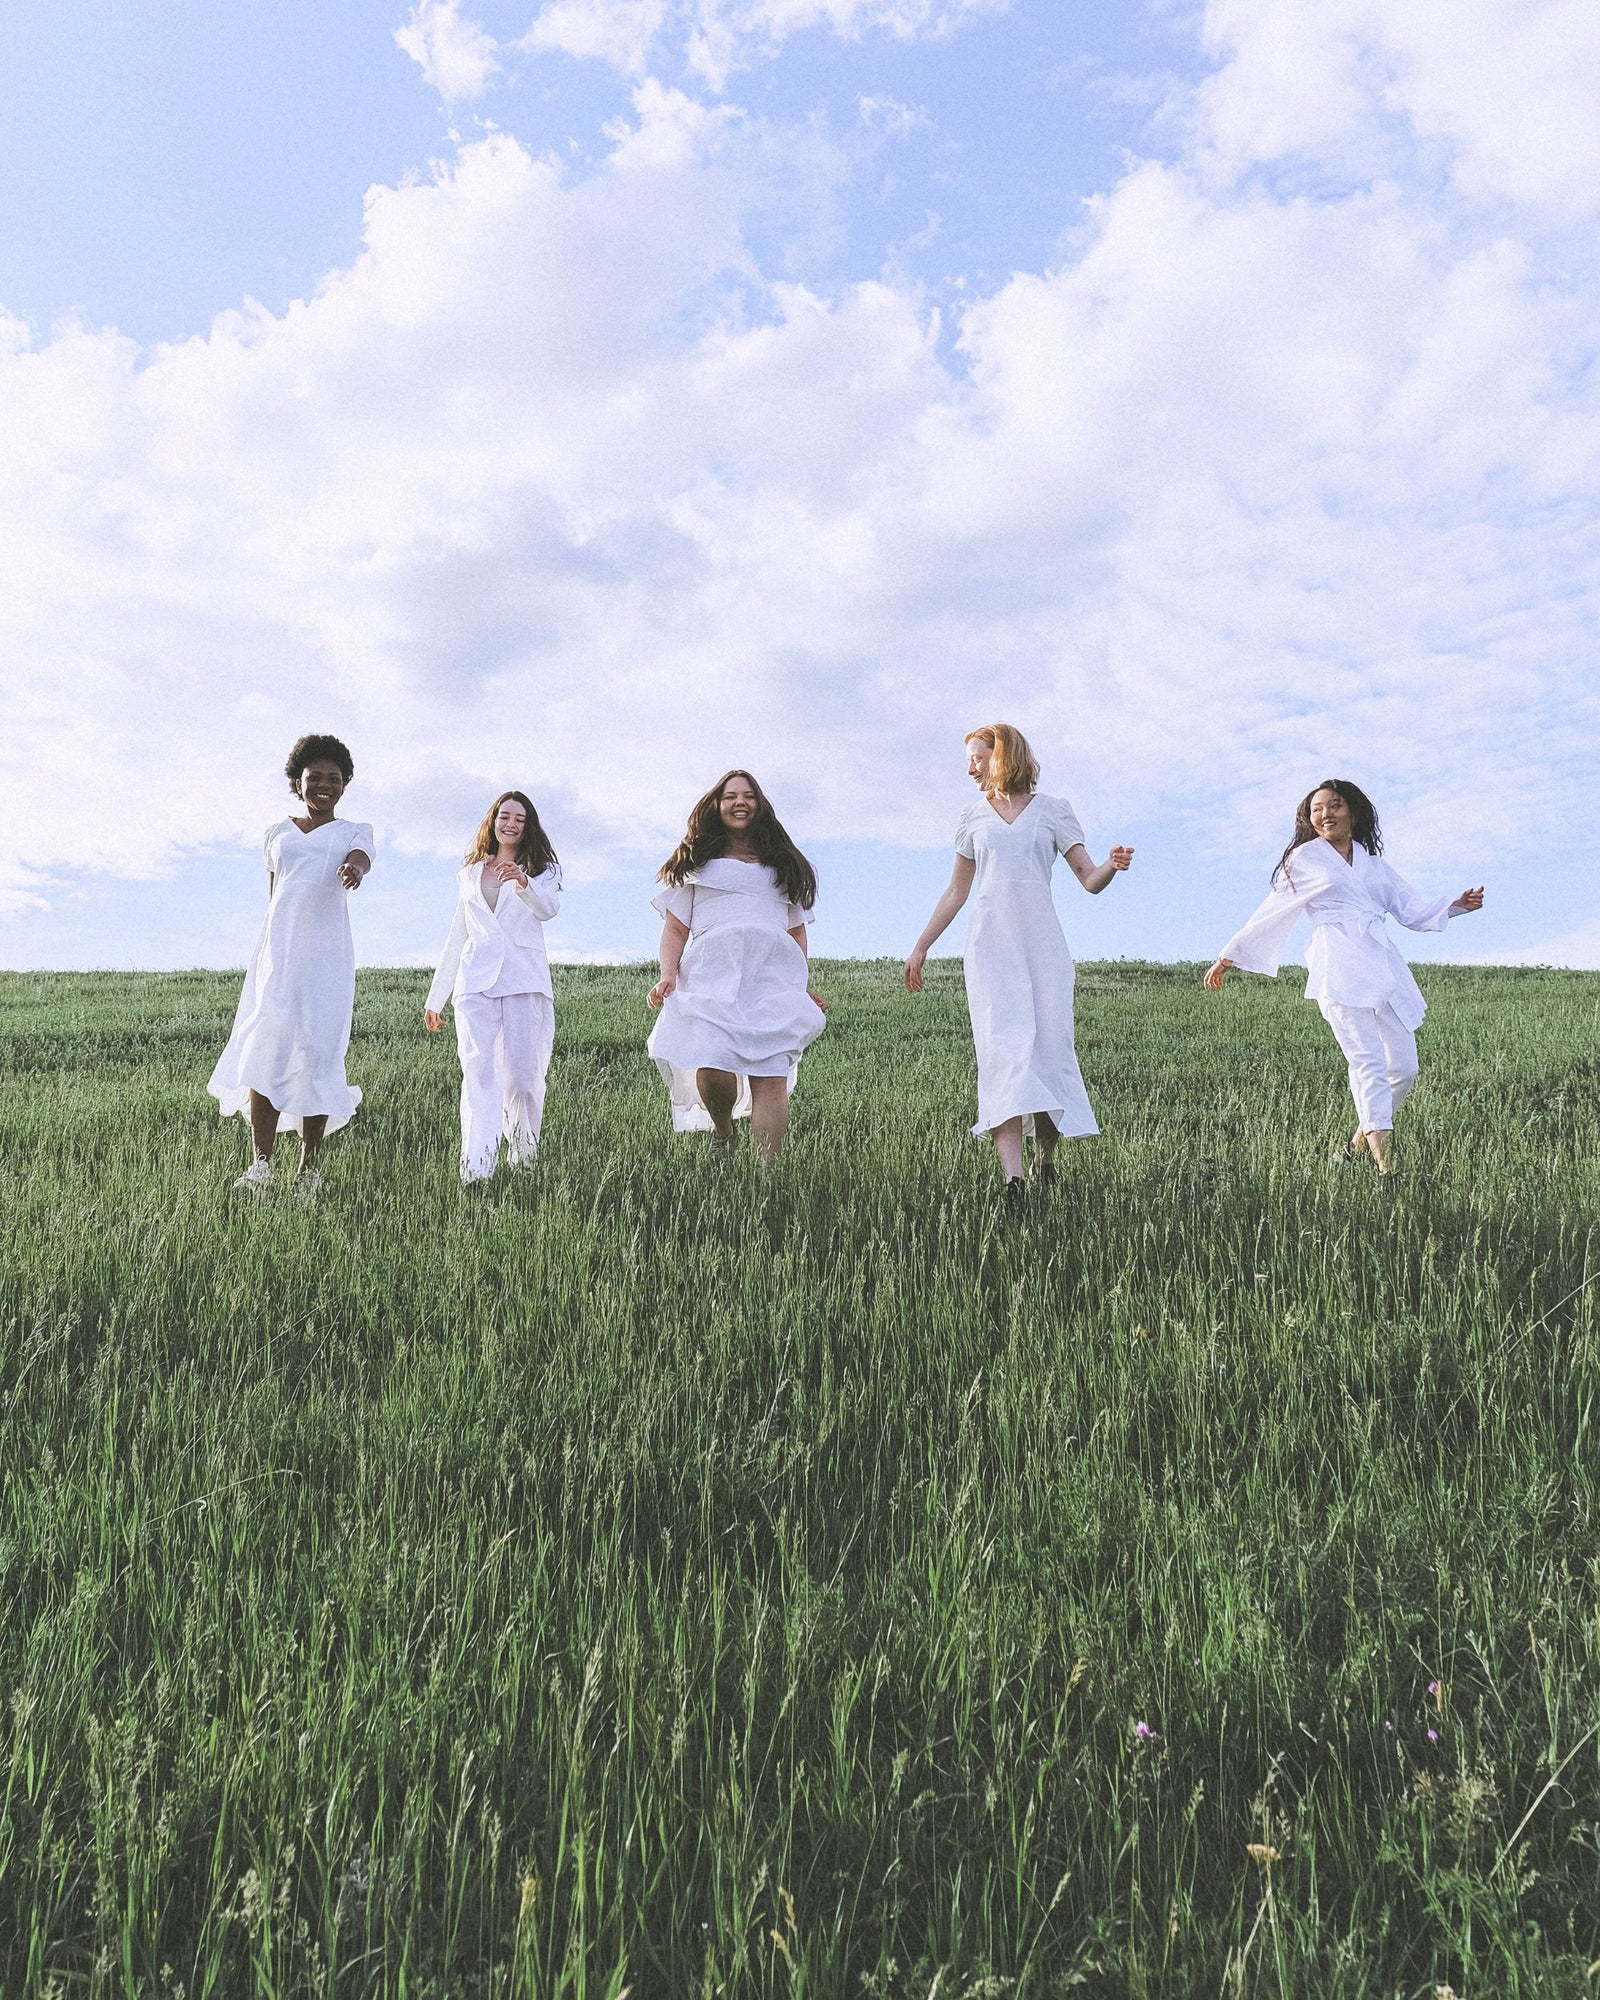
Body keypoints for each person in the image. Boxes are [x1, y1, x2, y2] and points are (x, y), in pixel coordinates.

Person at [1203, 778, 1484, 1174]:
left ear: (1352, 811)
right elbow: (1272, 909)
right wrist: (1228, 956)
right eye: (1317, 809)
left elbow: (1407, 907)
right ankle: (1386, 1167)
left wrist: (1453, 906)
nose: (1325, 814)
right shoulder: (1304, 859)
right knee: (1366, 1059)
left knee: (1404, 1067)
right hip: (1337, 963)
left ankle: (1353, 1147)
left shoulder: (1372, 863)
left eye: (1334, 805)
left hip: (1381, 962)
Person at [904, 723, 1133, 1199]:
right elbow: (956, 890)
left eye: (978, 756)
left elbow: (1088, 879)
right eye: (969, 758)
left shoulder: (1053, 811)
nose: (971, 766)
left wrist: (1112, 864)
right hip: (990, 948)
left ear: (1004, 754)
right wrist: (922, 944)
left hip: (1043, 948)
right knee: (1002, 1054)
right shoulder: (971, 817)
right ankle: (1014, 1181)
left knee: (1048, 1051)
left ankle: (1046, 1156)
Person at [209, 734, 374, 1200]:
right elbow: (274, 895)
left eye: (334, 779)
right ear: (297, 782)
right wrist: (268, 953)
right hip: (277, 958)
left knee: (318, 1054)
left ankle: (308, 1171)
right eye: (315, 777)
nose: (324, 785)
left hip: (327, 961)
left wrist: (354, 870)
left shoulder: (354, 832)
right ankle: (260, 1165)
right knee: (266, 1048)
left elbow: (361, 860)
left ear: (344, 786)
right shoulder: (276, 833)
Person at [645, 770, 827, 1159]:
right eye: (730, 796)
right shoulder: (696, 864)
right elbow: (676, 929)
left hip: (773, 977)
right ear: (717, 804)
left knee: (770, 1074)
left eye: (748, 796)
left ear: (760, 805)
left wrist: (800, 985)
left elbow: (796, 934)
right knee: (711, 1061)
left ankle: (767, 1179)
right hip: (713, 970)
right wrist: (667, 976)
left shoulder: (783, 867)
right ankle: (724, 1131)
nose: (739, 802)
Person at [424, 791, 562, 1183]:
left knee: (523, 1079)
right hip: (474, 985)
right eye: (505, 816)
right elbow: (457, 935)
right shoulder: (469, 874)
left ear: (528, 825)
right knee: (479, 1078)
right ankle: (477, 1172)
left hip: (523, 982)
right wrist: (437, 998)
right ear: (493, 820)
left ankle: (523, 1165)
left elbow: (548, 910)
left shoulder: (542, 870)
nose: (511, 824)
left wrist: (523, 882)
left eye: (520, 818)